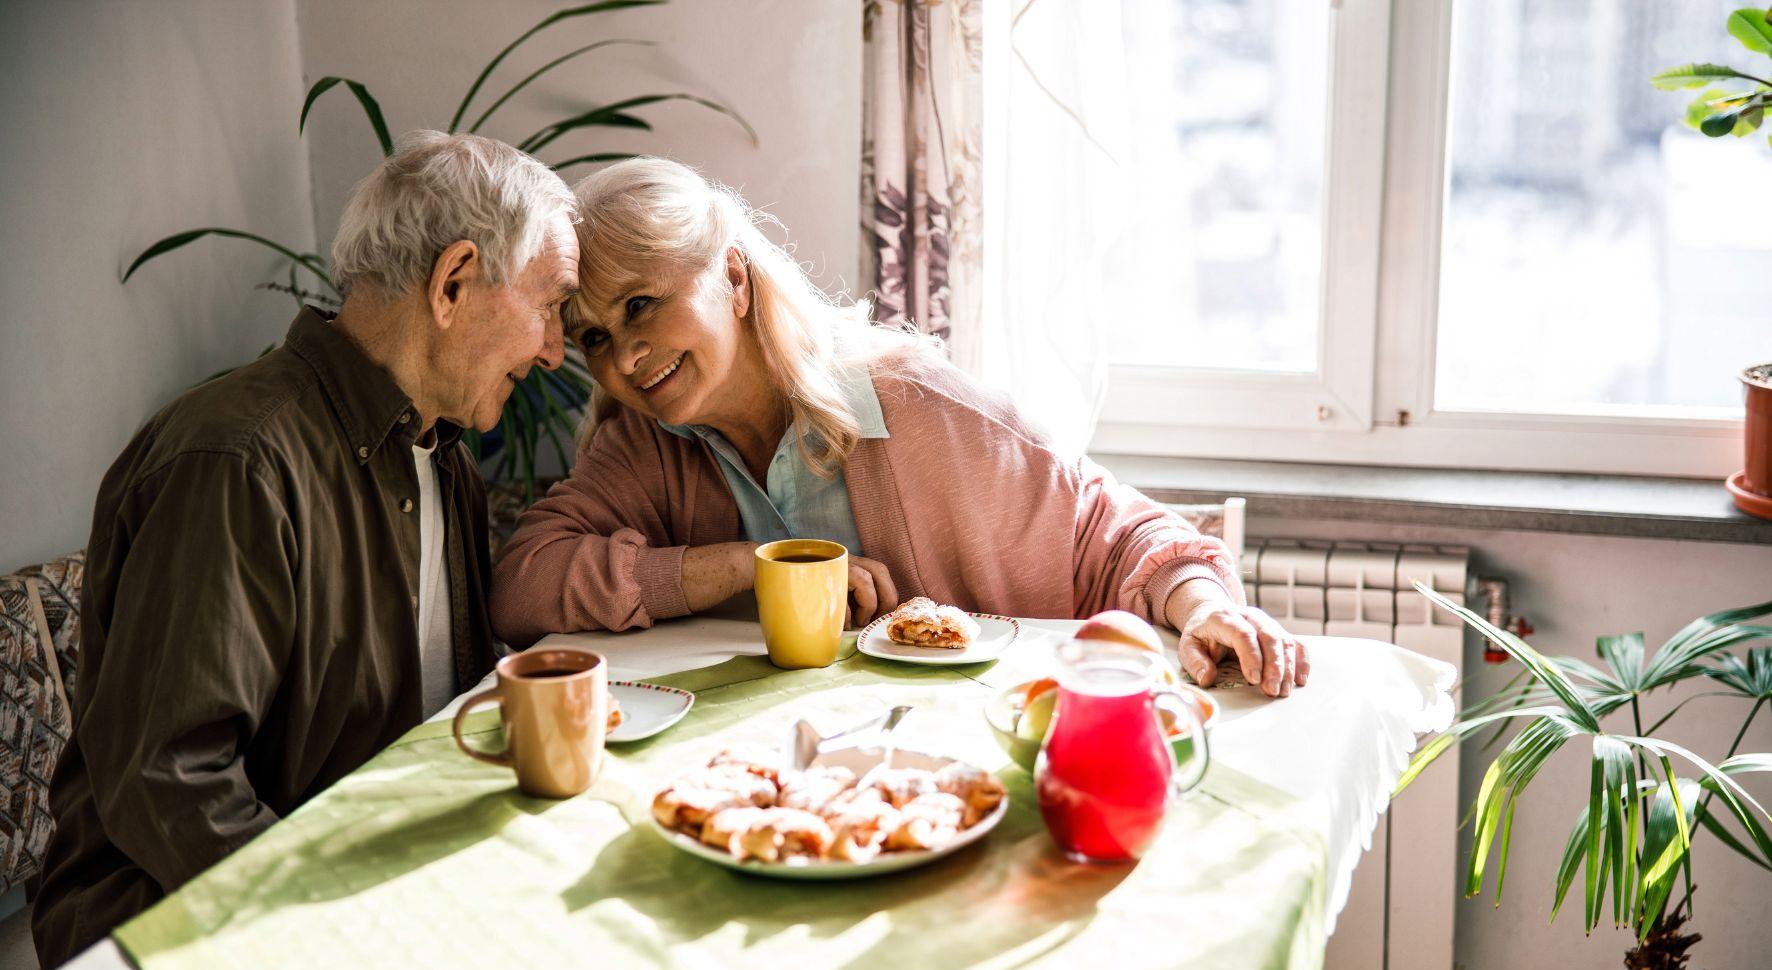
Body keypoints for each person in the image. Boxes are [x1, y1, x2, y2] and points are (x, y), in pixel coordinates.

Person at [32, 131, 580, 970]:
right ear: (454, 282)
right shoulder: (236, 460)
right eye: (549, 305)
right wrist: (343, 929)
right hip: (178, 930)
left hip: (357, 879)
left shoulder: (444, 456)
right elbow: (169, 780)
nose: (553, 348)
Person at [489, 157, 1306, 698]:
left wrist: (1202, 610)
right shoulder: (643, 445)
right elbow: (520, 587)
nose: (626, 357)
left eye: (642, 304)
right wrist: (745, 568)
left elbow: (1114, 530)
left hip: (973, 762)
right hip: (764, 775)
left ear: (731, 276)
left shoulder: (914, 406)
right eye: (594, 335)